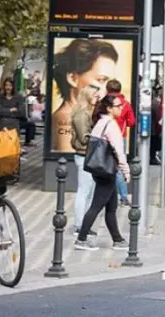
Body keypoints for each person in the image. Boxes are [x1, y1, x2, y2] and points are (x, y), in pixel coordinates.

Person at [75, 95, 129, 251]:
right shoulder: (111, 125)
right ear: (109, 109)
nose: (121, 108)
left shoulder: (101, 122)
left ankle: (117, 239)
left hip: (100, 169)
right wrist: (126, 172)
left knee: (111, 206)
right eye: (118, 106)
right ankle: (81, 238)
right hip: (107, 170)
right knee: (96, 206)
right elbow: (119, 152)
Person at [50, 39, 119, 152]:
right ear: (73, 78)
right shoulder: (65, 117)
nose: (108, 89)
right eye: (101, 80)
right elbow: (70, 161)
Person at [69, 83, 101, 238]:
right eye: (95, 95)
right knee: (84, 191)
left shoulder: (90, 112)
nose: (97, 98)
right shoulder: (82, 114)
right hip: (83, 154)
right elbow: (83, 137)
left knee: (89, 192)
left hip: (89, 154)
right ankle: (79, 225)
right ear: (88, 96)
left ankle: (85, 224)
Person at [106, 79, 134, 205]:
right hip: (120, 137)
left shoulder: (104, 103)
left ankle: (104, 195)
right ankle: (123, 196)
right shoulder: (126, 104)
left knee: (103, 165)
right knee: (118, 168)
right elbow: (132, 122)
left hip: (104, 138)